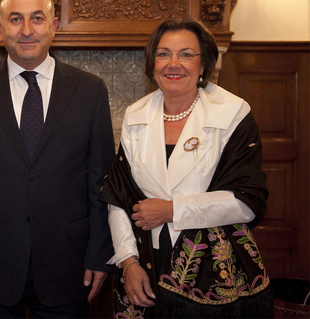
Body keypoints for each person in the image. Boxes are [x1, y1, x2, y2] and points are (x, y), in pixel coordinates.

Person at [0, 0, 114, 318]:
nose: (26, 30)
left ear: (55, 26)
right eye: (15, 19)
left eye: (37, 18)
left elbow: (101, 182)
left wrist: (99, 255)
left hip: (70, 264)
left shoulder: (90, 90)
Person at [100, 18, 273, 318]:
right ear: (152, 63)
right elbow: (118, 197)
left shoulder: (233, 113)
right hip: (146, 265)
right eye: (163, 53)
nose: (173, 64)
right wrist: (128, 262)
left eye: (186, 54)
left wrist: (172, 210)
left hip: (211, 275)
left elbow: (247, 201)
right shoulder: (135, 114)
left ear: (203, 64)